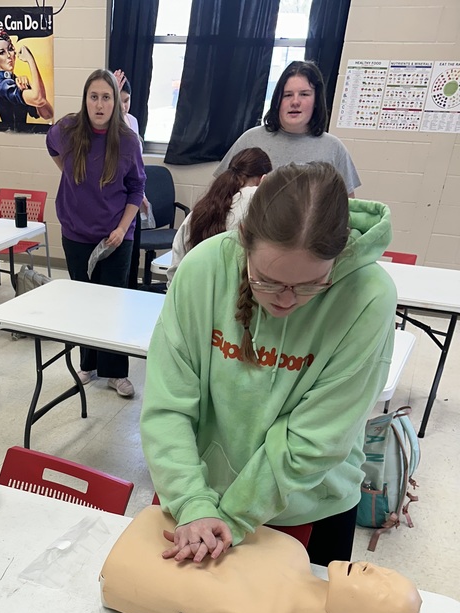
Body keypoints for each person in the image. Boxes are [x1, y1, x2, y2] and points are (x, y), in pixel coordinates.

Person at [140, 161, 397, 569]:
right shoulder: (204, 269)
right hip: (195, 491)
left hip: (309, 505)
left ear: (340, 256)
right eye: (267, 280)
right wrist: (192, 500)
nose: (286, 300)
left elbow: (316, 438)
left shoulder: (369, 295)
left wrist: (233, 515)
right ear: (244, 241)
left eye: (312, 284)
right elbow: (168, 402)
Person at [100, 506, 421, 613]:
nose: (373, 568)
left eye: (381, 588)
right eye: (387, 572)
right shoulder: (294, 551)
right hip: (178, 516)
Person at [47, 69, 145, 397]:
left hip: (116, 235)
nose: (99, 104)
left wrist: (121, 228)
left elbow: (136, 189)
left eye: (106, 97)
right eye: (94, 97)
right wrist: (73, 178)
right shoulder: (68, 130)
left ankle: (116, 372)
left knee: (114, 302)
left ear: (115, 102)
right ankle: (87, 364)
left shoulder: (127, 140)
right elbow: (53, 148)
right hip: (76, 232)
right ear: (85, 100)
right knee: (84, 303)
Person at [215, 61, 360, 197]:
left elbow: (348, 207)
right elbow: (219, 195)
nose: (295, 102)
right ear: (277, 100)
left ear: (316, 100)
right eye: (287, 95)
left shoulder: (334, 148)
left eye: (304, 94)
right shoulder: (250, 140)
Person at [167, 147, 272, 283]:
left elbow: (175, 271)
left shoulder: (201, 209)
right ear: (264, 179)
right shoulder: (260, 203)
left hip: (193, 293)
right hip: (238, 298)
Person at [0, 30, 53, 131]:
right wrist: (30, 60)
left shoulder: (15, 82)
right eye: (2, 52)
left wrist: (29, 88)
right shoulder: (4, 86)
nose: (8, 56)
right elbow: (39, 99)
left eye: (10, 49)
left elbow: (48, 114)